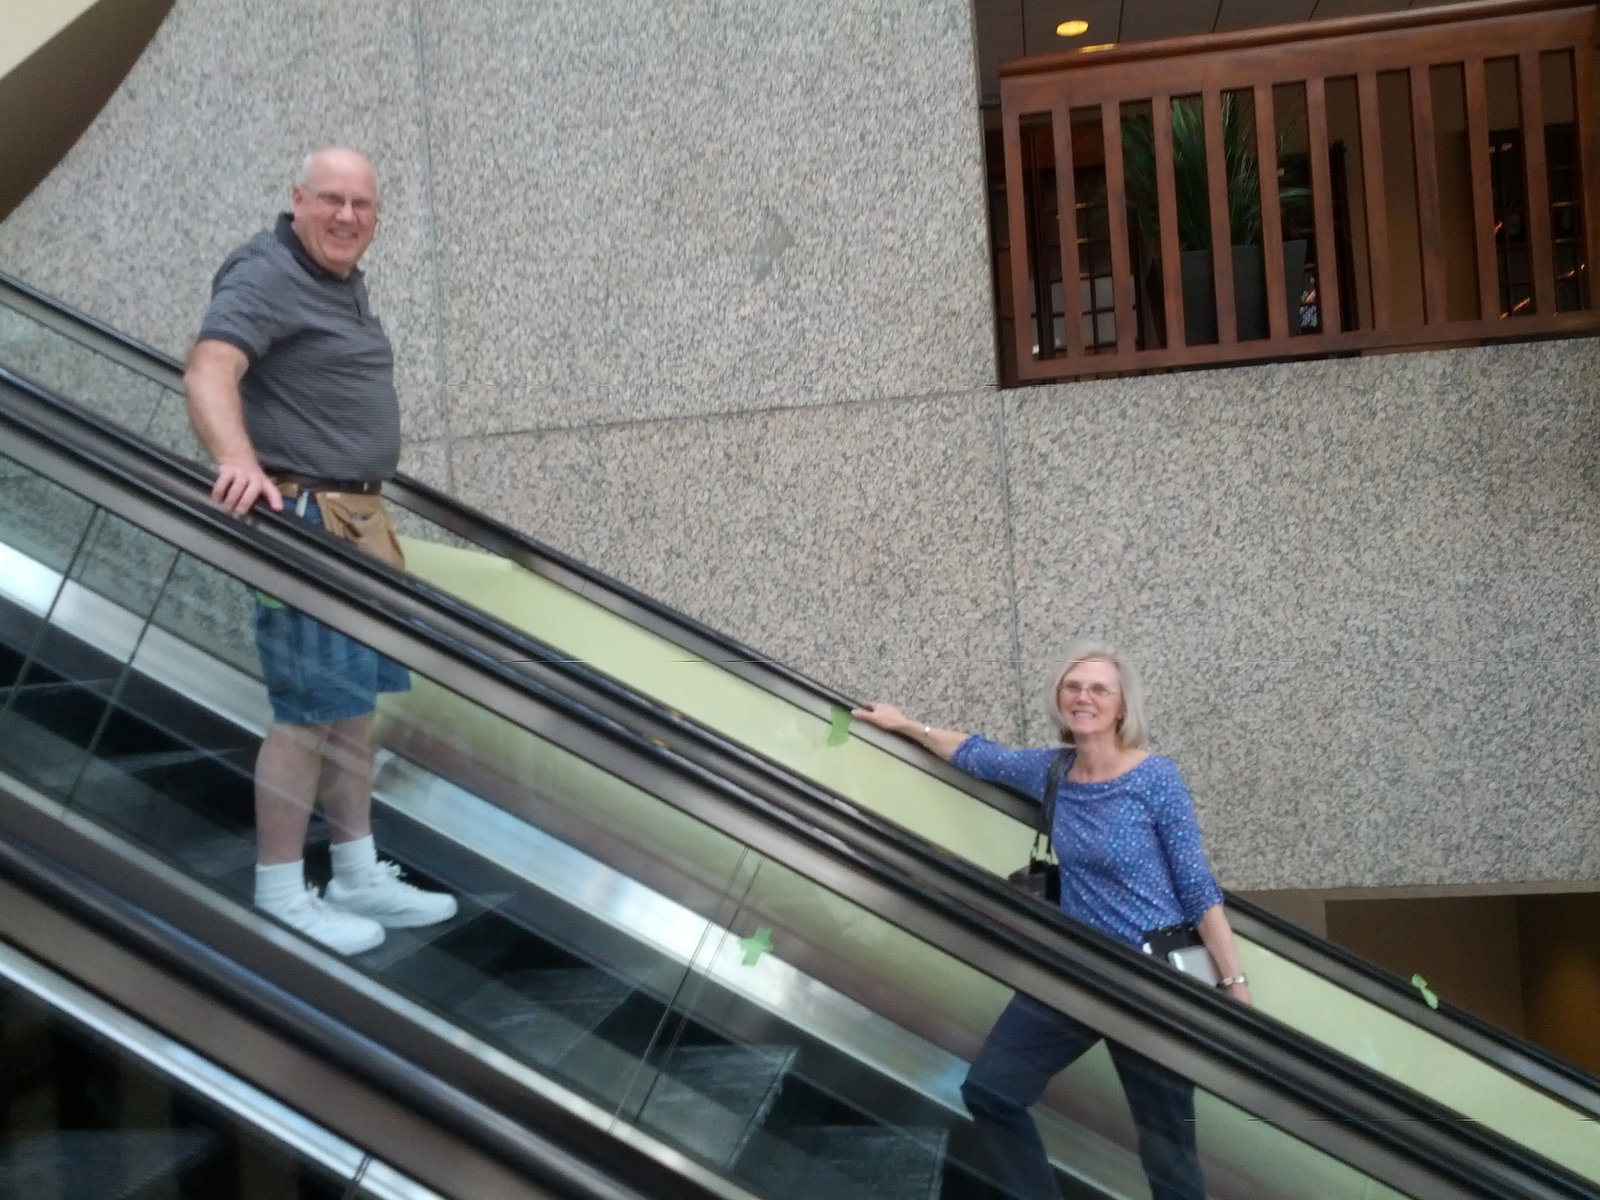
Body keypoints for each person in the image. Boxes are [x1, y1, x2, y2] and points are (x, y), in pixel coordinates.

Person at [852, 639, 1248, 1200]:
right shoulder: (1053, 770)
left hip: (1150, 985)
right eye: (1073, 686)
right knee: (991, 1091)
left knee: (1168, 1152)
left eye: (1098, 689)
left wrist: (1235, 985)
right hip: (1076, 971)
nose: (1082, 696)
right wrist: (905, 725)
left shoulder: (1156, 778)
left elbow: (1198, 889)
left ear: (1120, 707)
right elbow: (975, 753)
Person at [182, 147, 456, 956]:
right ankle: (278, 889)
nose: (346, 217)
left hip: (355, 525)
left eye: (361, 205)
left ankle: (355, 870)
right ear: (296, 199)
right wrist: (237, 459)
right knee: (305, 718)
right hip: (305, 523)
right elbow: (209, 370)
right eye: (330, 200)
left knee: (351, 714)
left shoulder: (336, 282)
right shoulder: (267, 272)